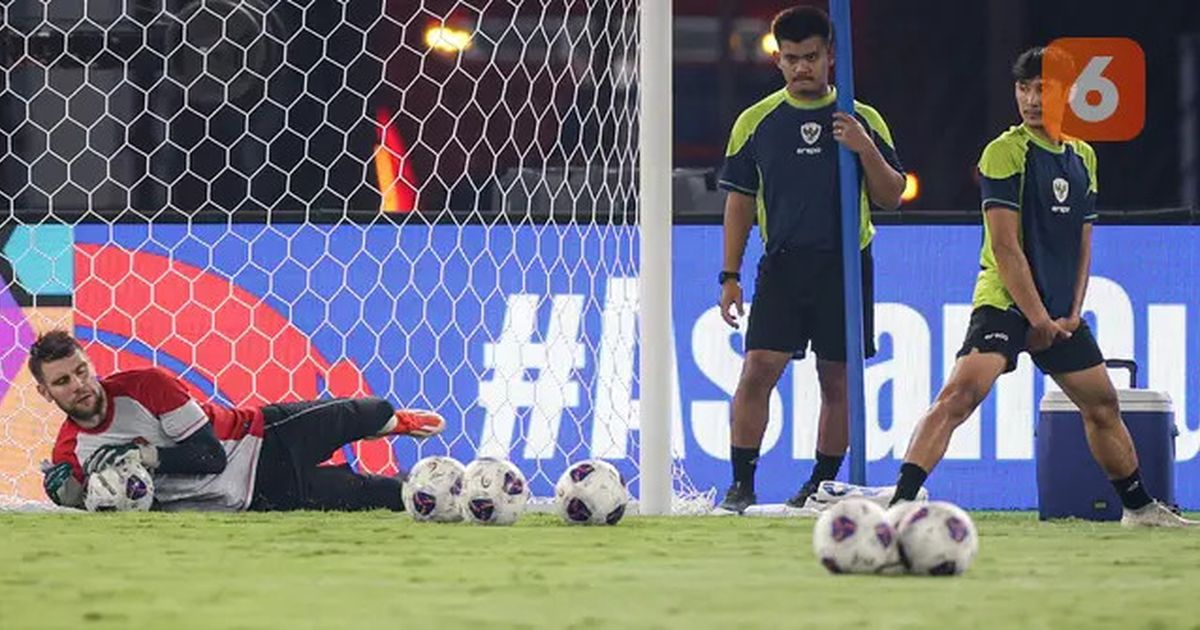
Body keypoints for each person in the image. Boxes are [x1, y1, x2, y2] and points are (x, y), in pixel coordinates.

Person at [888, 47, 1195, 527]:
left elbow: (1083, 243)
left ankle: (1138, 508)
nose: (1032, 99)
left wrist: (1070, 314)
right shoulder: (1004, 152)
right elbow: (1006, 248)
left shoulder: (1082, 156)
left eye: (1044, 89)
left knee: (1103, 404)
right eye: (1024, 89)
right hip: (1008, 302)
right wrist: (1037, 321)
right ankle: (901, 504)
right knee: (961, 396)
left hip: (1056, 311)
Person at [714, 6, 905, 513]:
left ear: (831, 57)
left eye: (812, 58)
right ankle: (742, 484)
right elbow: (738, 202)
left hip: (844, 265)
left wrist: (864, 148)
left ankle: (820, 484)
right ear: (779, 61)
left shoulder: (861, 118)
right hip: (783, 264)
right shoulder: (756, 122)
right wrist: (729, 275)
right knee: (757, 370)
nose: (802, 68)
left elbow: (891, 195)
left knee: (837, 380)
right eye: (792, 59)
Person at [33, 329, 444, 512]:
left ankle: (389, 425)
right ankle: (445, 491)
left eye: (82, 371)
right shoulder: (70, 451)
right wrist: (63, 495)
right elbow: (94, 501)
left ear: (90, 363)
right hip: (255, 498)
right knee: (387, 496)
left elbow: (210, 457)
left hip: (264, 438)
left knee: (370, 409)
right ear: (46, 393)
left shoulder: (147, 386)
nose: (79, 385)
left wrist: (145, 457)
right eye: (63, 382)